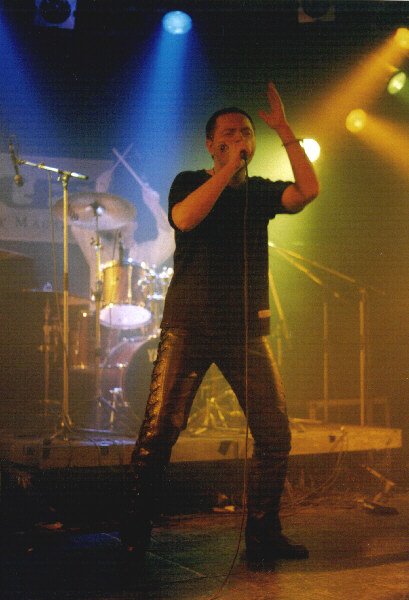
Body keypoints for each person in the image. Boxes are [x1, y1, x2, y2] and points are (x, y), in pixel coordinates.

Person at [121, 82, 320, 563]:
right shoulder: (189, 180)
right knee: (159, 433)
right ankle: (134, 533)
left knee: (274, 435)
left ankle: (263, 534)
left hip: (244, 333)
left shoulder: (260, 192)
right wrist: (228, 169)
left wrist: (284, 130)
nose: (239, 138)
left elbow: (308, 191)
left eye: (246, 132)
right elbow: (185, 219)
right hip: (188, 326)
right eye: (229, 133)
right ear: (211, 144)